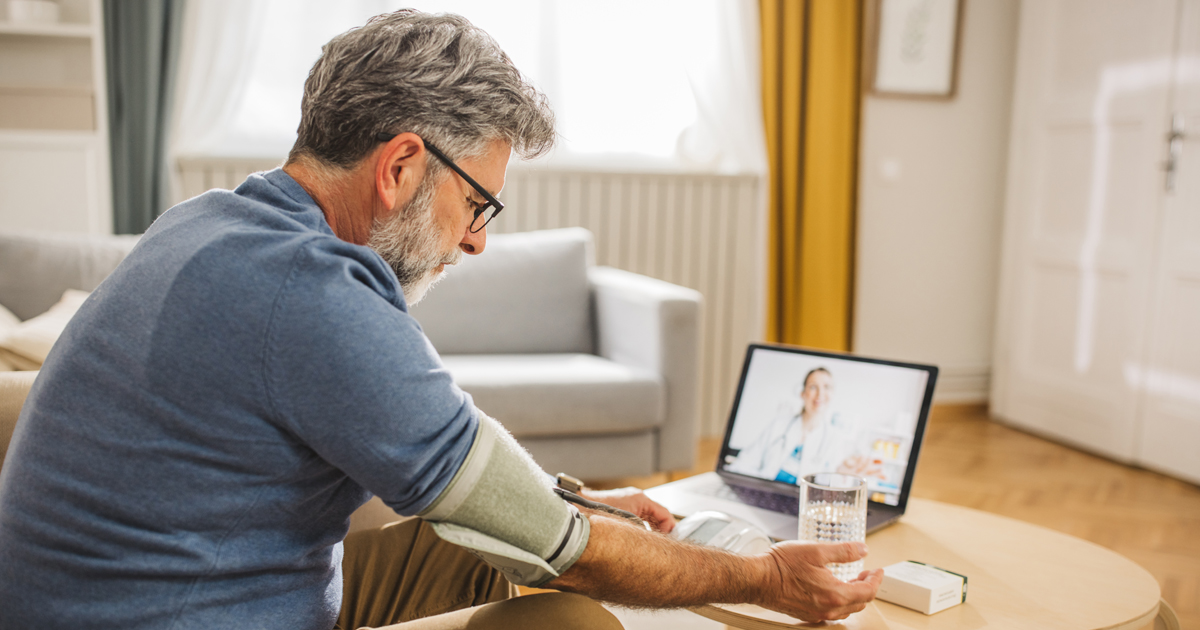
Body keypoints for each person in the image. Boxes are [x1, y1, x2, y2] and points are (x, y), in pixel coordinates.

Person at [0, 10, 882, 630]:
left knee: (486, 540)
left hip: (139, 596)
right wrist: (766, 577)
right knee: (567, 618)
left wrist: (573, 502)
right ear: (402, 165)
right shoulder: (312, 296)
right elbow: (567, 551)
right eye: (479, 202)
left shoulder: (210, 222)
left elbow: (466, 473)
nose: (476, 242)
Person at [730, 368, 883, 483]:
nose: (820, 394)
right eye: (813, 387)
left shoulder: (835, 439)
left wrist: (842, 474)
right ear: (803, 394)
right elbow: (744, 463)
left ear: (832, 394)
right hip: (765, 495)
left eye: (827, 387)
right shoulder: (779, 426)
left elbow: (830, 487)